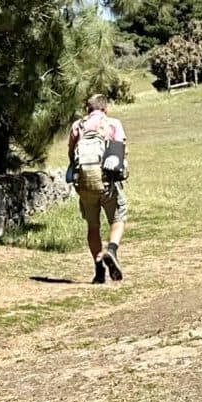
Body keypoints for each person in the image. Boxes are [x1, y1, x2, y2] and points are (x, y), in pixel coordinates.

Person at [66, 92, 128, 284]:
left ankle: (99, 269)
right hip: (107, 183)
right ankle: (112, 250)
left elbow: (70, 152)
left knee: (93, 227)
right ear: (105, 109)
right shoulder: (112, 124)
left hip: (85, 185)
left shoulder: (78, 126)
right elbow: (121, 151)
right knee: (118, 218)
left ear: (88, 109)